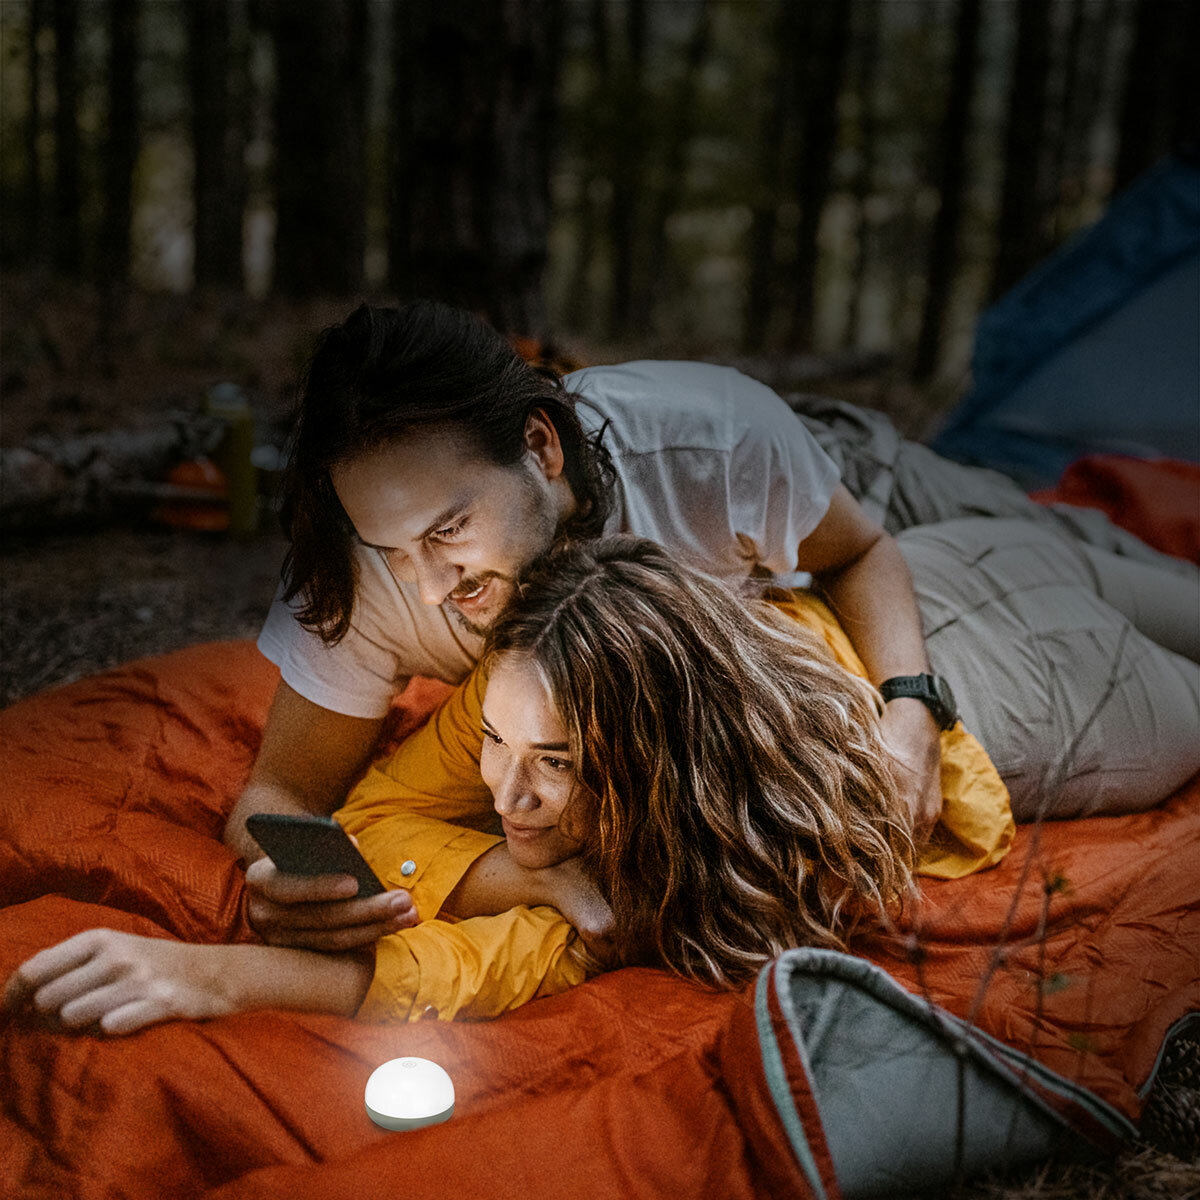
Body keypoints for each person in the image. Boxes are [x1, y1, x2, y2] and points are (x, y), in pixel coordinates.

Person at [1, 538, 998, 1033]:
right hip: (800, 598)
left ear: (659, 780)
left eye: (556, 765)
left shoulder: (695, 832)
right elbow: (386, 826)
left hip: (996, 675)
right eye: (498, 744)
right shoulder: (529, 679)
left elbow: (474, 974)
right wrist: (514, 876)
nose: (509, 795)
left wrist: (216, 979)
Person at [229, 300, 954, 955]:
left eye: (449, 529)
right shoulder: (358, 581)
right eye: (391, 551)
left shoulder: (715, 445)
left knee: (986, 514)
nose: (428, 588)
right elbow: (277, 798)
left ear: (541, 448)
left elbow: (862, 550)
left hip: (859, 478)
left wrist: (911, 704)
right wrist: (286, 886)